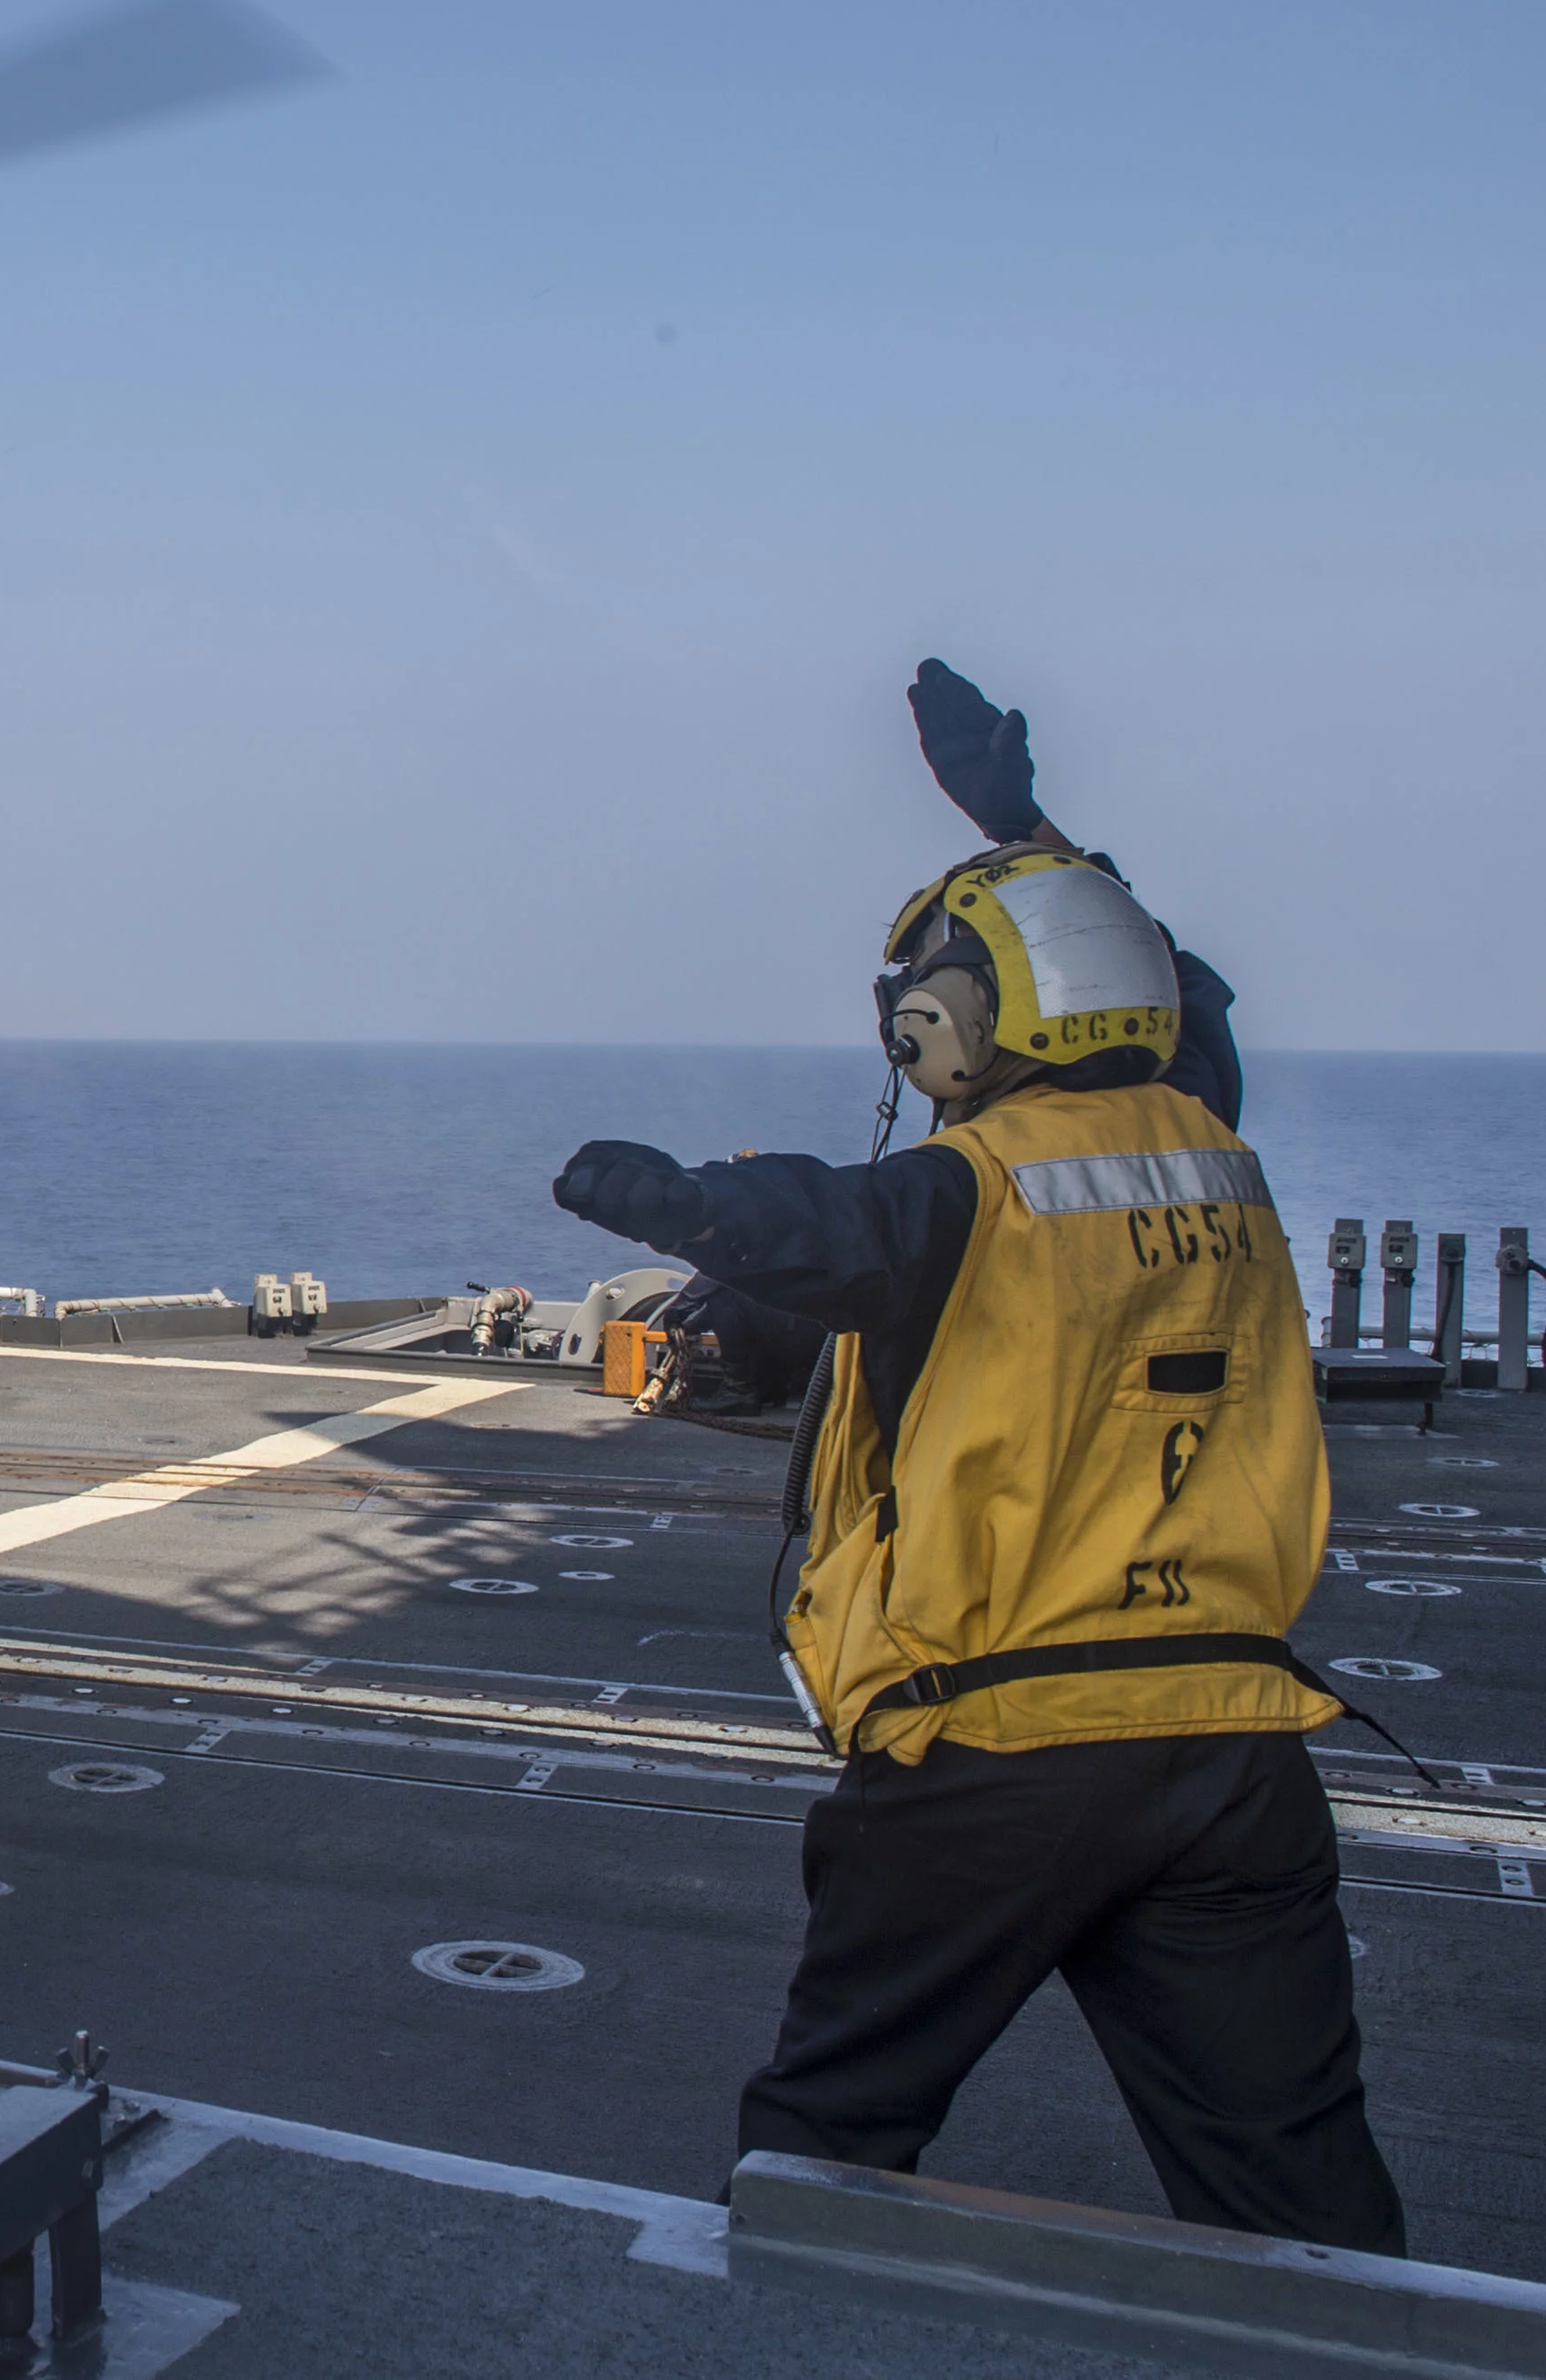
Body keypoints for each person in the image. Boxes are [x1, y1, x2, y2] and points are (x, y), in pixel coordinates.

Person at [546, 659, 1404, 2254]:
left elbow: (828, 1224)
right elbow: (1189, 1003)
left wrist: (671, 1200)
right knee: (1294, 2194)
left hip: (997, 1753)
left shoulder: (973, 1189)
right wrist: (1026, 825)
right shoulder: (1208, 1137)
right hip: (1234, 1752)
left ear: (937, 1029)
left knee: (822, 2156)